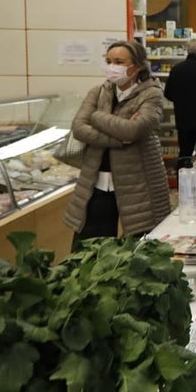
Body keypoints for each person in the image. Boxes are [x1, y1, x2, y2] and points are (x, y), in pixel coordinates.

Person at [62, 40, 171, 245]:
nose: (112, 67)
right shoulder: (99, 92)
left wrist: (96, 117)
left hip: (138, 184)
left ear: (137, 66)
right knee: (92, 248)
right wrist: (120, 138)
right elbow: (78, 127)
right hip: (97, 182)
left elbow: (134, 129)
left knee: (140, 247)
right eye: (109, 61)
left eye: (119, 62)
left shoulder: (152, 94)